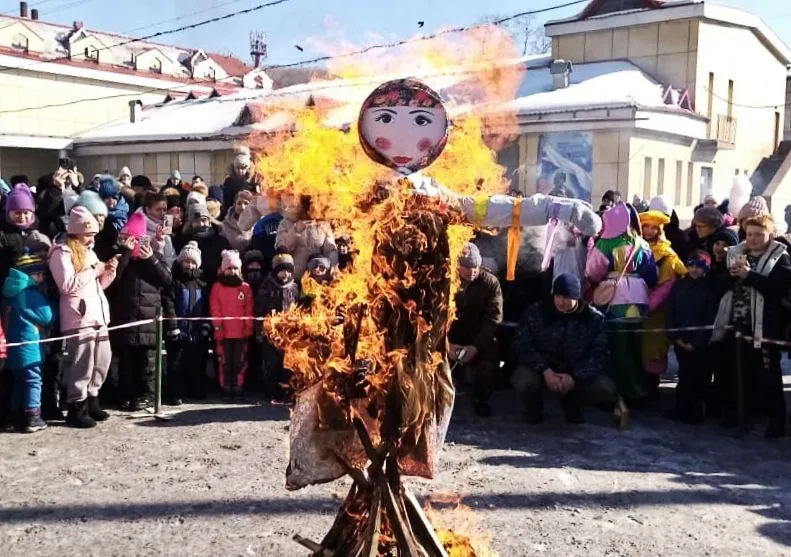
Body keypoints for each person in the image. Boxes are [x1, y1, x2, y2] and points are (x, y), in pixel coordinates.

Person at [711, 214, 791, 437]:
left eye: (759, 234)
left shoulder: (780, 258)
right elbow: (717, 287)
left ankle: (776, 419)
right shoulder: (735, 253)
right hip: (735, 322)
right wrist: (731, 275)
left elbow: (778, 288)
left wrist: (749, 276)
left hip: (765, 326)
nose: (754, 239)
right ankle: (737, 412)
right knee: (735, 371)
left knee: (768, 374)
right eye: (750, 234)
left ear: (770, 235)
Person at [512, 273, 615, 424]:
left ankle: (574, 404)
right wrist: (546, 371)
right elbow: (521, 345)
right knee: (523, 380)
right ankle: (533, 407)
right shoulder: (536, 312)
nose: (560, 302)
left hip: (575, 369)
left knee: (605, 388)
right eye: (558, 296)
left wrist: (574, 377)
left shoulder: (593, 318)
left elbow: (600, 355)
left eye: (566, 297)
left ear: (577, 297)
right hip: (543, 368)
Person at [48, 207, 117, 428]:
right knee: (81, 363)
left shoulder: (90, 252)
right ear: (76, 232)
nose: (92, 237)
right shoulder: (62, 253)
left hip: (98, 314)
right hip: (79, 316)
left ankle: (92, 398)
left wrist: (108, 272)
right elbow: (67, 286)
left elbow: (97, 286)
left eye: (94, 233)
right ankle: (76, 405)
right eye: (88, 233)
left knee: (102, 360)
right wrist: (94, 271)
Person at [586, 203, 658, 405]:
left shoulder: (605, 244)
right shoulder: (642, 243)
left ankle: (618, 395)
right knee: (635, 347)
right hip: (640, 299)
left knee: (617, 348)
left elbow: (593, 272)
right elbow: (652, 275)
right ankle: (639, 392)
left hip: (614, 300)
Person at [110, 212, 173, 411]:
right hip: (125, 318)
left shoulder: (153, 257)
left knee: (148, 364)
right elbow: (113, 280)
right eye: (132, 238)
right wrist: (126, 253)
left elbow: (166, 280)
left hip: (148, 321)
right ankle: (125, 395)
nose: (135, 243)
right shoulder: (119, 257)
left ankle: (146, 395)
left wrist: (151, 258)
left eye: (138, 239)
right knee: (126, 363)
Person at [447, 243, 503, 417]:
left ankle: (481, 399)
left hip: (477, 335)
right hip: (450, 336)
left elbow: (493, 319)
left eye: (475, 267)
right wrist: (447, 345)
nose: (472, 271)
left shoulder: (490, 283)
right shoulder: (446, 280)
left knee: (489, 361)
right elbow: (434, 317)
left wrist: (475, 346)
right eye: (467, 267)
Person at [3, 253, 55, 433]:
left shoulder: (11, 292)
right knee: (33, 380)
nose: (41, 278)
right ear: (30, 275)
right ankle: (33, 415)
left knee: (19, 381)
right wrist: (54, 307)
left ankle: (17, 415)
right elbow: (46, 316)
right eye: (39, 274)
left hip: (13, 346)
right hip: (29, 346)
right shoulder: (29, 293)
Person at [664, 250, 718, 424]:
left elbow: (710, 318)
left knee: (699, 377)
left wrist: (697, 342)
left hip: (699, 343)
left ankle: (696, 410)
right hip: (681, 339)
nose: (694, 270)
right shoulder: (680, 285)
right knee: (684, 375)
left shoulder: (709, 288)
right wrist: (675, 336)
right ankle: (681, 407)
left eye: (699, 267)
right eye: (691, 265)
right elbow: (670, 310)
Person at [639, 210, 686, 394]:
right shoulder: (635, 247)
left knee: (653, 348)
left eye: (653, 227)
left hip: (655, 311)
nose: (649, 231)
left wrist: (648, 306)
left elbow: (666, 285)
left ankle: (651, 388)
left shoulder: (667, 254)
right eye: (646, 227)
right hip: (634, 307)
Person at [162, 242, 210, 404]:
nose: (189, 264)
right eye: (186, 261)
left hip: (196, 332)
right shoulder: (173, 282)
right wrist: (173, 327)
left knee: (196, 363)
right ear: (180, 262)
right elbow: (168, 305)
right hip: (177, 332)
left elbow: (206, 309)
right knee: (176, 364)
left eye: (192, 262)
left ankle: (195, 389)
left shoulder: (202, 285)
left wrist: (204, 327)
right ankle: (175, 393)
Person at [254, 253, 299, 400]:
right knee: (271, 363)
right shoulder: (267, 286)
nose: (285, 274)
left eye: (288, 270)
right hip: (271, 332)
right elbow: (259, 309)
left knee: (288, 363)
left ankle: (286, 390)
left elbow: (298, 307)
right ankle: (270, 391)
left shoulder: (294, 287)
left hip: (289, 332)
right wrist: (259, 329)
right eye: (281, 270)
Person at [210, 250, 254, 396]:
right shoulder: (217, 287)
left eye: (235, 268)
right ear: (223, 269)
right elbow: (215, 309)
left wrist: (248, 327)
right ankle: (226, 387)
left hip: (241, 333)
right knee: (224, 361)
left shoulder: (245, 287)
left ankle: (238, 386)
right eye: (229, 268)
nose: (232, 271)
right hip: (224, 333)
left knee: (239, 361)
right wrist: (218, 327)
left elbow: (249, 309)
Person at [1, 185, 51, 286]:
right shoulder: (3, 234)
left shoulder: (40, 229)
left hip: (41, 286)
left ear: (32, 212)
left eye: (26, 212)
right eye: (17, 213)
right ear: (8, 212)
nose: (22, 217)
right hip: (14, 286)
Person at [175, 203, 231, 285]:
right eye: (196, 221)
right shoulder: (183, 241)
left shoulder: (221, 241)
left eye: (204, 220)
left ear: (209, 221)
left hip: (216, 286)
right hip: (191, 287)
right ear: (191, 223)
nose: (201, 224)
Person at [135, 192, 176, 266]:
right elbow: (143, 256)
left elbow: (170, 254)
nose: (163, 213)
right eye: (158, 209)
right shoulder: (140, 227)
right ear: (147, 209)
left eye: (164, 209)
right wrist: (157, 241)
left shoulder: (166, 225)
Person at [222, 146, 260, 214]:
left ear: (248, 168)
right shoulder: (229, 181)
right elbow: (226, 201)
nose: (240, 171)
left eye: (243, 168)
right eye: (237, 168)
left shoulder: (254, 180)